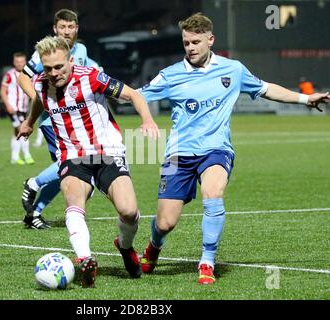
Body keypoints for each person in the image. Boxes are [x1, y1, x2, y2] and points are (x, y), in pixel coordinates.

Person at [138, 13, 330, 285]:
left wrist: (304, 98)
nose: (190, 48)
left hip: (217, 149)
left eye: (195, 42)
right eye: (186, 43)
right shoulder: (170, 75)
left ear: (210, 39)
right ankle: (154, 245)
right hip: (177, 154)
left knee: (213, 193)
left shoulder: (233, 69)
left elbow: (266, 89)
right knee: (166, 222)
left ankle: (207, 262)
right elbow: (136, 94)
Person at [17, 36, 160, 288]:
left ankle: (125, 246)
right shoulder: (41, 83)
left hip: (107, 152)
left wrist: (147, 120)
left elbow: (133, 95)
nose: (54, 73)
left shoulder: (92, 77)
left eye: (59, 66)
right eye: (48, 68)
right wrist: (29, 122)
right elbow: (38, 100)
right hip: (72, 156)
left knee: (128, 211)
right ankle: (85, 259)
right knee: (73, 200)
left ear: (71, 61)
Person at [18, 9, 99, 229]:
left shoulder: (80, 49)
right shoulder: (49, 50)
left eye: (70, 27)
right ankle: (33, 183)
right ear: (55, 29)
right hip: (52, 120)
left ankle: (34, 213)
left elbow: (89, 69)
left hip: (73, 120)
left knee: (65, 170)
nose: (66, 31)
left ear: (76, 28)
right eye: (62, 27)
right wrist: (38, 99)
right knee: (72, 163)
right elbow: (22, 77)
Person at [0, 52, 34, 165]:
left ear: (25, 62)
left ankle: (15, 157)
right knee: (21, 129)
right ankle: (26, 155)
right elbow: (2, 91)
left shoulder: (29, 74)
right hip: (13, 108)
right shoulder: (9, 75)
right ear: (14, 62)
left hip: (23, 108)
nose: (19, 64)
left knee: (18, 132)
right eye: (17, 62)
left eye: (21, 61)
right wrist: (8, 105)